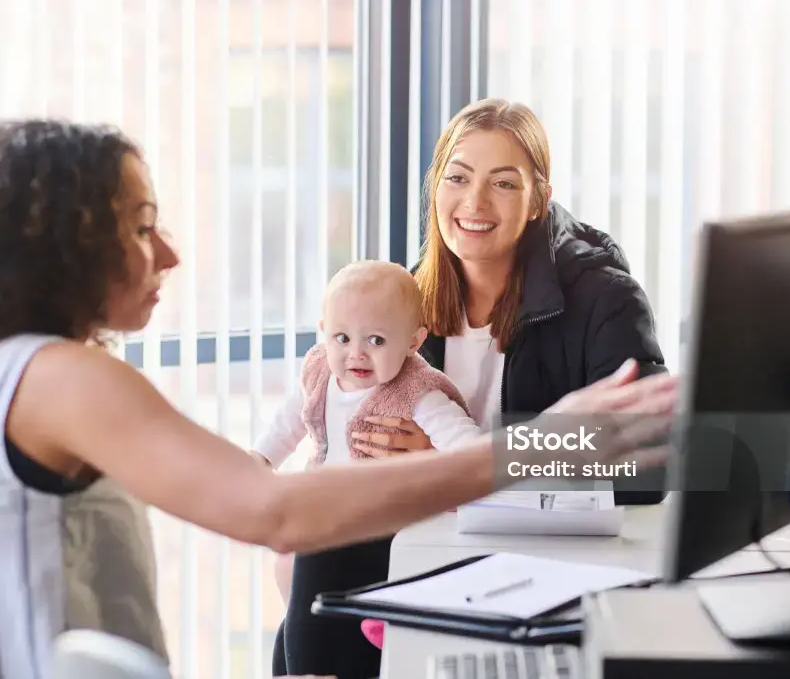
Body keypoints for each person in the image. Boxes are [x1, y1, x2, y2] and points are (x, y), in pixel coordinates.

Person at [0, 119, 677, 679]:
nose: (172, 252)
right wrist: (543, 444)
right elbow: (275, 509)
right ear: (65, 245)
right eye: (142, 226)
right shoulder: (56, 378)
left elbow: (276, 489)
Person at [275, 98, 670, 679]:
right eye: (457, 178)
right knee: (316, 556)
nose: (474, 203)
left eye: (503, 184)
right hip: (417, 541)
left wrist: (457, 467)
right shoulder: (403, 302)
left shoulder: (603, 300)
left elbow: (648, 465)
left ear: (538, 198)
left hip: (532, 550)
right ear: (436, 186)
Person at [251, 259, 484, 604]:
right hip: (325, 511)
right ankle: (300, 620)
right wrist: (261, 459)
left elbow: (471, 449)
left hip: (385, 523)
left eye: (376, 340)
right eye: (342, 338)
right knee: (287, 564)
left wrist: (437, 465)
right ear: (323, 331)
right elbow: (288, 422)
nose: (356, 354)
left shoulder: (417, 393)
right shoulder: (320, 374)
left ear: (413, 342)